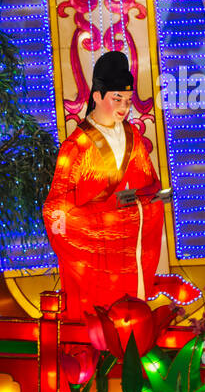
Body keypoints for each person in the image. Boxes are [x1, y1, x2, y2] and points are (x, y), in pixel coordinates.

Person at [42, 51, 165, 321]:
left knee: (130, 325)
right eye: (116, 98)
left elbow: (148, 184)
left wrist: (149, 203)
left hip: (129, 253)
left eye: (128, 100)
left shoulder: (132, 135)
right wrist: (97, 224)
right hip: (95, 260)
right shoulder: (76, 146)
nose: (123, 107)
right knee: (98, 326)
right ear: (97, 96)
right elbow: (56, 210)